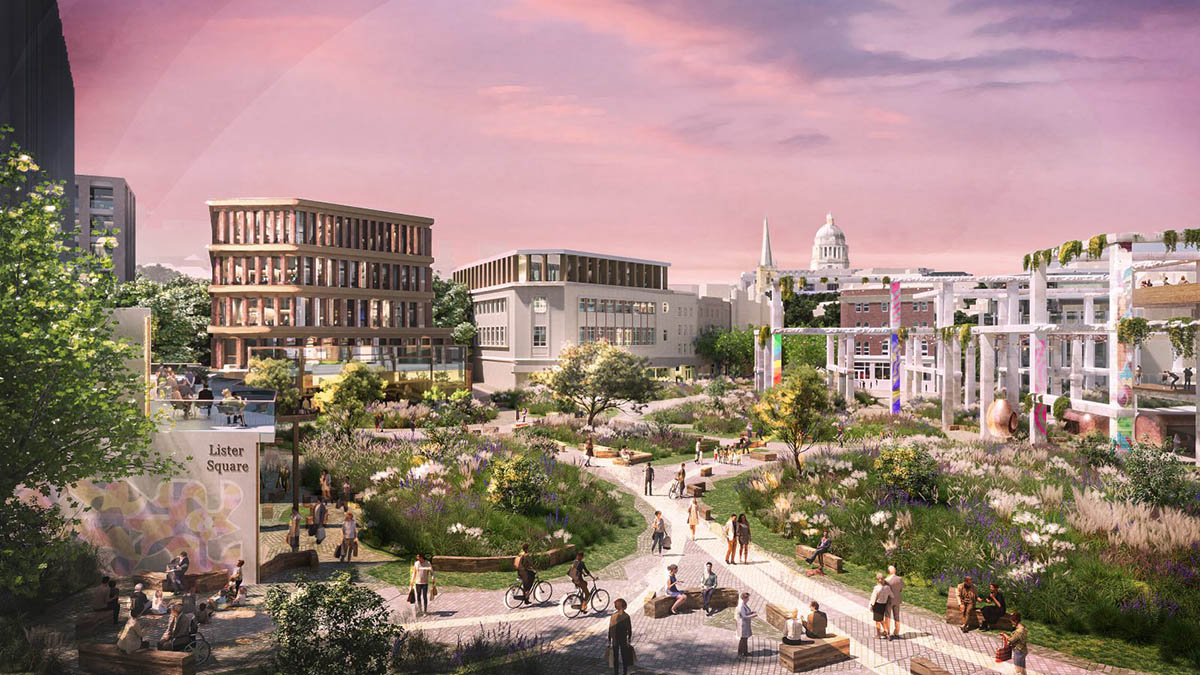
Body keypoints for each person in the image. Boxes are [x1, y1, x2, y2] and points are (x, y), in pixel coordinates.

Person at [608, 598, 634, 675]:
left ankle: (616, 673)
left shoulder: (613, 616)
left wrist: (609, 639)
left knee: (615, 657)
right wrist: (629, 639)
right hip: (623, 639)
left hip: (615, 639)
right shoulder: (626, 616)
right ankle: (624, 673)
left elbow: (610, 628)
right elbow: (629, 629)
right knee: (624, 657)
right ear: (624, 606)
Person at [868, 572, 893, 638]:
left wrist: (871, 606)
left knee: (878, 621)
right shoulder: (887, 588)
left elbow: (873, 599)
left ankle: (883, 633)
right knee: (880, 619)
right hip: (883, 605)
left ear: (878, 579)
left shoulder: (876, 588)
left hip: (877, 605)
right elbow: (892, 595)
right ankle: (883, 632)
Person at [885, 565, 903, 640]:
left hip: (889, 600)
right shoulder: (900, 579)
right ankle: (896, 632)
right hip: (897, 599)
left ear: (888, 572)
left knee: (888, 616)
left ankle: (887, 632)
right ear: (895, 571)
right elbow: (901, 589)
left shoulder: (887, 580)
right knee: (897, 616)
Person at [736, 592, 756, 656]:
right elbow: (744, 616)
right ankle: (740, 653)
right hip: (743, 625)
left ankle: (745, 652)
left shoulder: (744, 605)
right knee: (743, 639)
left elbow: (746, 613)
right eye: (747, 598)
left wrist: (751, 613)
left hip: (746, 624)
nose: (748, 599)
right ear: (744, 599)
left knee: (745, 639)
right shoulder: (741, 606)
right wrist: (752, 616)